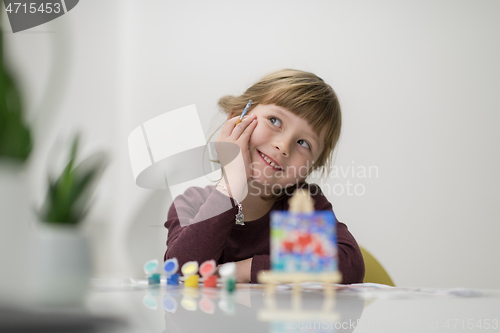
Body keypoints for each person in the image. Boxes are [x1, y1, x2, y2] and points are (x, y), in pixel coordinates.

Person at [164, 69, 364, 284]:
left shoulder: (299, 206)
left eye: (304, 143)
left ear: (311, 167)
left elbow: (349, 265)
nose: (284, 145)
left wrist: (242, 270)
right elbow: (180, 272)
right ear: (236, 118)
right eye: (275, 121)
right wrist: (232, 186)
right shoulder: (193, 203)